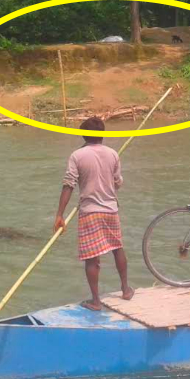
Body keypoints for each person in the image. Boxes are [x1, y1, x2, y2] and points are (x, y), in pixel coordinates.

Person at [53, 117, 134, 311]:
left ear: (84, 135)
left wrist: (60, 215)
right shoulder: (113, 154)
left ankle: (96, 301)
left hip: (90, 212)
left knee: (92, 258)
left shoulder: (77, 156)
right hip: (111, 210)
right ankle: (125, 289)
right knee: (117, 248)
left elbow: (68, 185)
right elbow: (118, 182)